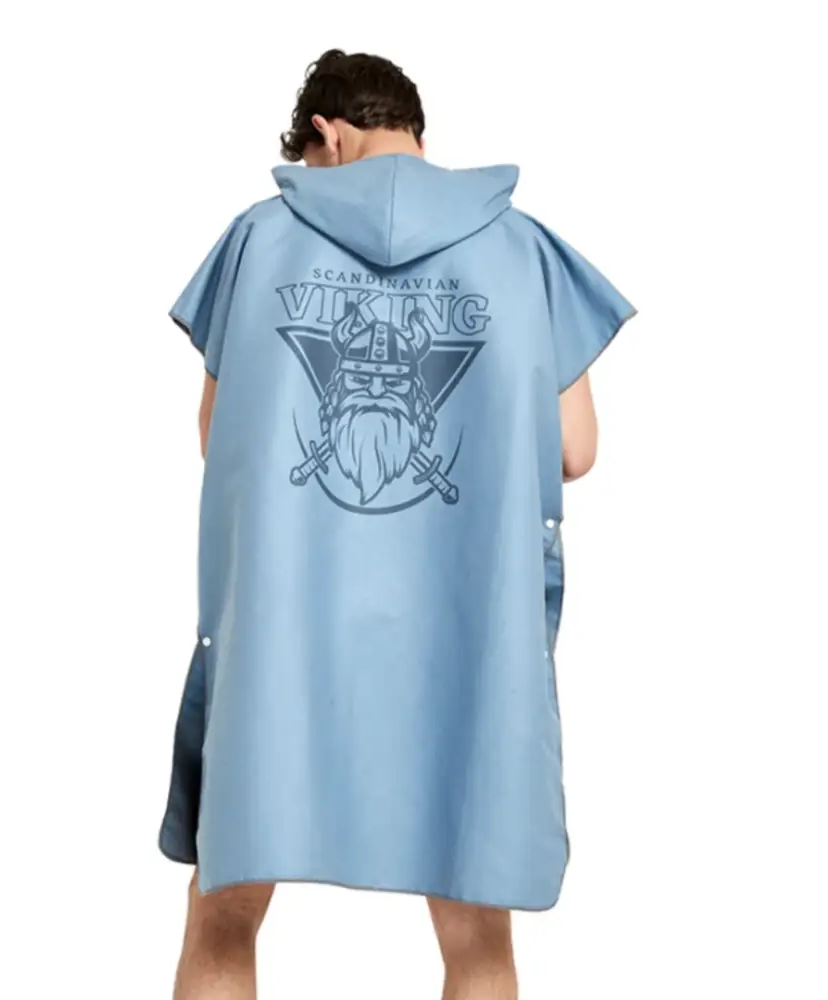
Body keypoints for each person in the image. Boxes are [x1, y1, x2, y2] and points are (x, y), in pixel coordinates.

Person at [159, 49, 635, 1000]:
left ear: (326, 137)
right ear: (413, 135)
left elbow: (219, 438)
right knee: (478, 938)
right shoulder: (522, 250)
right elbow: (576, 449)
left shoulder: (257, 239)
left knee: (224, 915)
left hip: (283, 645)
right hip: (463, 649)